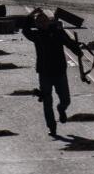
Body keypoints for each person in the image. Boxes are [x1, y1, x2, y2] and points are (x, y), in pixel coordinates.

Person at [22, 9, 83, 137]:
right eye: (39, 22)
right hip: (44, 73)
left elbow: (69, 43)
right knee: (47, 101)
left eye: (44, 20)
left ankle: (61, 109)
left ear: (48, 21)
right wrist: (31, 14)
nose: (42, 23)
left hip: (60, 71)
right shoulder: (37, 36)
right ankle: (52, 127)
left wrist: (77, 50)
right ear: (36, 24)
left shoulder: (58, 32)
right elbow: (25, 30)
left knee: (65, 100)